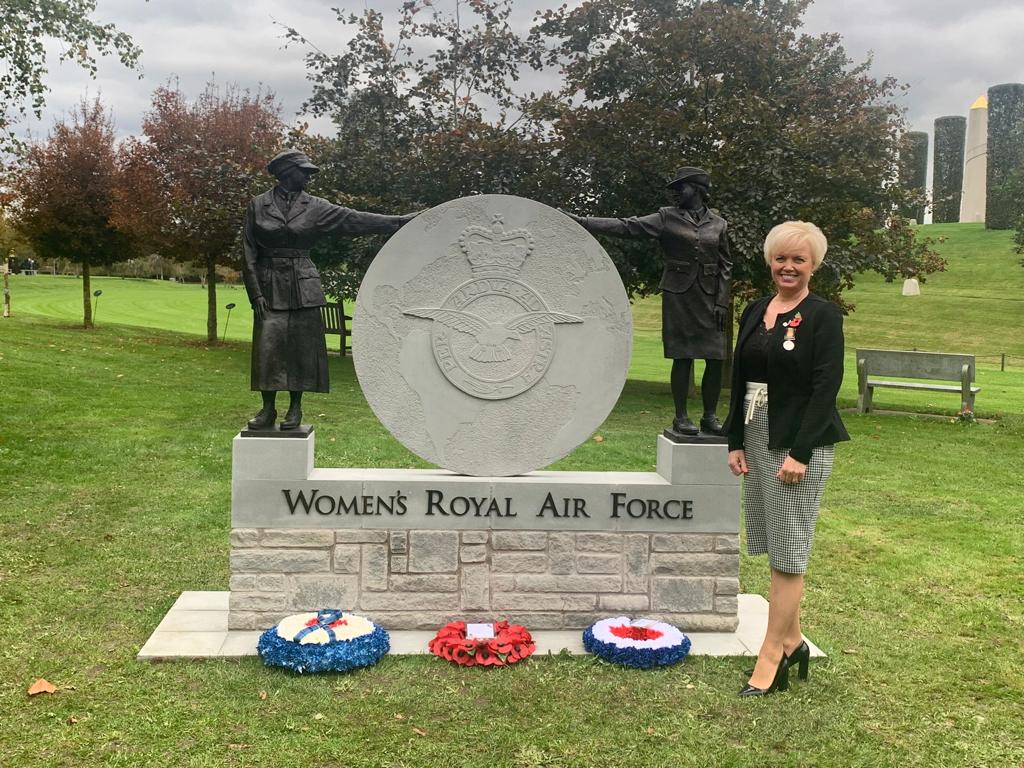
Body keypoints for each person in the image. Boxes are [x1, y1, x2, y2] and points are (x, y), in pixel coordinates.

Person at [722, 220, 850, 696]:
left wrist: (800, 452)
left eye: (799, 259)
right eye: (781, 258)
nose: (788, 267)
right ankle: (793, 640)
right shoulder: (756, 310)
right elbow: (741, 377)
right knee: (773, 543)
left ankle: (770, 654)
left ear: (813, 265)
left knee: (789, 554)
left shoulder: (823, 316)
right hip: (757, 433)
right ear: (769, 261)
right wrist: (734, 439)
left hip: (800, 441)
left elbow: (825, 387)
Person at [241, 149, 418, 430]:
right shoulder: (258, 205)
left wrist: (399, 222)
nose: (308, 177)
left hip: (303, 286)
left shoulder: (316, 207)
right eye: (304, 172)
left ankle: (295, 409)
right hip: (269, 284)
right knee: (268, 349)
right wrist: (256, 294)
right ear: (288, 172)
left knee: (301, 348)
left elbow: (355, 219)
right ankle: (268, 409)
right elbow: (248, 252)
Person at [566, 167, 732, 436]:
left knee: (714, 357)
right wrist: (583, 221)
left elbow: (726, 265)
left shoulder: (719, 224)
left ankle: (710, 417)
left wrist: (722, 302)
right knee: (683, 356)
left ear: (698, 189)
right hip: (679, 295)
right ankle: (681, 417)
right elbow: (627, 226)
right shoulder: (666, 218)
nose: (676, 193)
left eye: (681, 187)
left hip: (712, 298)